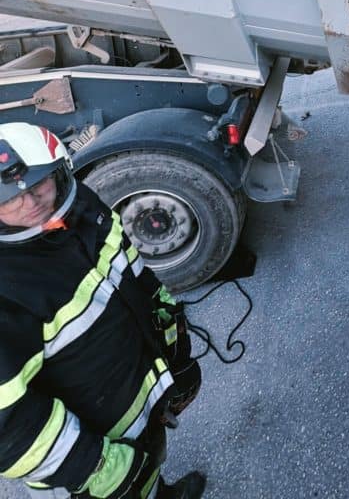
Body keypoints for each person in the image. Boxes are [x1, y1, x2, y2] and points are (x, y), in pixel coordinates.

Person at [0, 122, 205, 498]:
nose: (31, 202)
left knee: (148, 476)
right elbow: (9, 428)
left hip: (138, 408)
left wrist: (176, 353)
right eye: (9, 198)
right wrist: (101, 469)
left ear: (58, 172)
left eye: (38, 183)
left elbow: (137, 278)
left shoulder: (82, 207)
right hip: (80, 470)